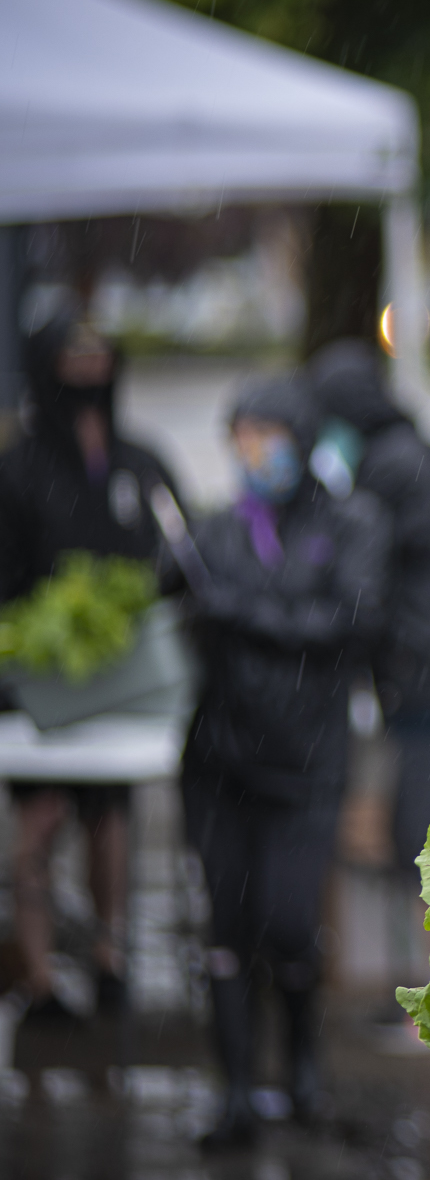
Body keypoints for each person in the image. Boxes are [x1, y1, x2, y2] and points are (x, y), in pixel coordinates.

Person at [177, 374, 389, 1147]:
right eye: (240, 437)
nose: (252, 452)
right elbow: (177, 606)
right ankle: (236, 1093)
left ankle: (302, 1073)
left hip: (305, 762)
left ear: (302, 439)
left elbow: (352, 620)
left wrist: (249, 615)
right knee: (227, 931)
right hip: (220, 762)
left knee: (291, 924)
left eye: (267, 435)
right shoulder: (217, 530)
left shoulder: (351, 521)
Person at [0, 307, 181, 1021]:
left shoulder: (140, 461)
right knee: (38, 824)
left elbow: (176, 549)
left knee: (110, 819)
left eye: (97, 355)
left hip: (121, 681)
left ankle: (110, 957)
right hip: (40, 688)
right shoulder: (17, 468)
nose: (87, 369)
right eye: (71, 356)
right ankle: (42, 977)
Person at [307, 341, 430, 940]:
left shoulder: (376, 475)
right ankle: (427, 995)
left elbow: (362, 584)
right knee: (424, 833)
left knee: (426, 840)